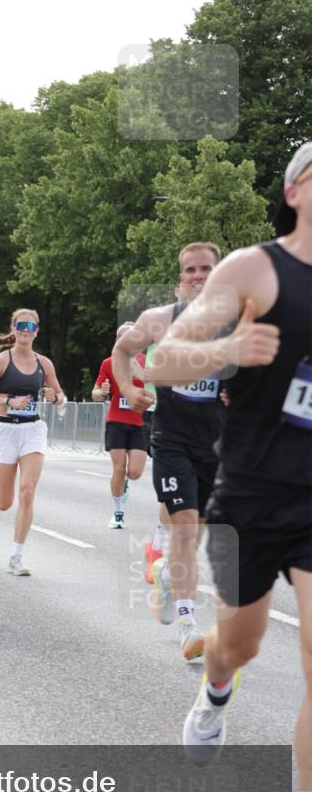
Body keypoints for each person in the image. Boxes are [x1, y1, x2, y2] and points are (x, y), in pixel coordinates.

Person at [150, 142, 312, 792]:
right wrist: (227, 350)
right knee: (237, 645)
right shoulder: (254, 269)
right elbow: (163, 361)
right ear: (297, 188)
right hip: (249, 492)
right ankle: (214, 691)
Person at [112, 242, 223, 662]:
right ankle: (189, 626)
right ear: (181, 277)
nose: (198, 276)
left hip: (217, 446)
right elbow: (122, 352)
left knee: (196, 535)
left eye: (206, 269)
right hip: (172, 440)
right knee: (185, 529)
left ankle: (162, 571)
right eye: (190, 270)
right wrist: (127, 389)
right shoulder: (157, 319)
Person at [0, 310, 64, 576]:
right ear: (14, 328)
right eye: (21, 325)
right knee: (6, 501)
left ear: (36, 331)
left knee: (27, 491)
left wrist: (53, 397)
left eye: (30, 326)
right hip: (5, 431)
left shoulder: (44, 363)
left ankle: (16, 556)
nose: (25, 330)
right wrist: (7, 402)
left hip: (33, 430)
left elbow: (60, 397)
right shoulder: (1, 360)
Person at [92, 323, 148, 529]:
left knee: (134, 472)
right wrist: (103, 391)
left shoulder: (146, 363)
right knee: (119, 468)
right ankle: (117, 513)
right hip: (116, 421)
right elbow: (95, 393)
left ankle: (124, 484)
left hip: (138, 423)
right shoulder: (109, 363)